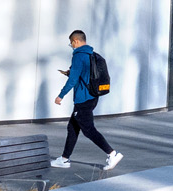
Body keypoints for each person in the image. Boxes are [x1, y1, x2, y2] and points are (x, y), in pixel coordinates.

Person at [50, 30, 124, 171]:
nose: (71, 46)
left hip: (83, 99)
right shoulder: (91, 54)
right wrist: (70, 72)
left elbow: (73, 80)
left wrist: (61, 95)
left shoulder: (78, 56)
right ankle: (64, 159)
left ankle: (112, 153)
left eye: (71, 43)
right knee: (72, 128)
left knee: (88, 130)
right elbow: (83, 75)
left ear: (76, 41)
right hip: (92, 96)